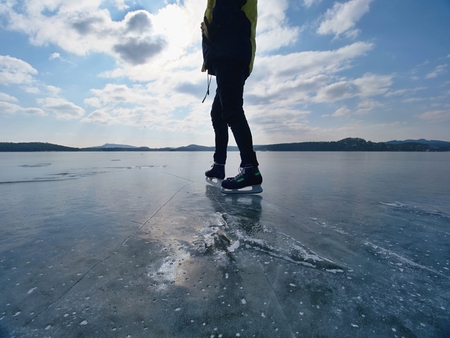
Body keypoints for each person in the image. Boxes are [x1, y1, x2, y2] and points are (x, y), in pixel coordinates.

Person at [201, 0, 262, 193]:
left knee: (231, 109)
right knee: (218, 113)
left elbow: (224, 10)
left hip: (231, 52)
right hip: (229, 52)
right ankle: (219, 165)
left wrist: (210, 28)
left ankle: (250, 168)